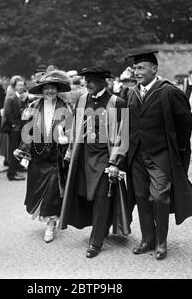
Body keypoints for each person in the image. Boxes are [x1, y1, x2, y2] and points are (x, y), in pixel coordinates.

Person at [125, 51, 192, 260]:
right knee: (140, 197)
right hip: (137, 155)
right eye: (135, 68)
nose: (136, 72)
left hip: (160, 155)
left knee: (159, 197)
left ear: (154, 69)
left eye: (141, 68)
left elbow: (185, 123)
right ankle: (147, 239)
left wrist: (178, 148)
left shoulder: (168, 92)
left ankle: (161, 241)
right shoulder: (131, 93)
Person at [59, 66, 131, 258]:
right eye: (86, 80)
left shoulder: (118, 102)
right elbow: (75, 128)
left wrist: (115, 162)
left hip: (105, 156)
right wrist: (70, 152)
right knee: (87, 195)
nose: (87, 84)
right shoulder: (82, 100)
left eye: (91, 80)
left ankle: (95, 241)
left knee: (102, 196)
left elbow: (123, 134)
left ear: (103, 82)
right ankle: (102, 227)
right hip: (84, 156)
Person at [14, 66, 71, 243]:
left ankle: (50, 225)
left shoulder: (66, 107)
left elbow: (72, 131)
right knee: (37, 190)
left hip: (56, 156)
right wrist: (23, 151)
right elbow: (27, 132)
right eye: (46, 87)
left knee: (53, 190)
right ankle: (48, 219)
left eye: (53, 87)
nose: (50, 90)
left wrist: (66, 138)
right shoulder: (32, 107)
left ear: (58, 89)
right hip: (38, 157)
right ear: (41, 90)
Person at [3, 77, 28, 181]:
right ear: (15, 87)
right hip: (14, 129)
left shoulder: (23, 98)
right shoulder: (11, 98)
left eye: (22, 85)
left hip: (21, 128)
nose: (21, 87)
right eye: (19, 85)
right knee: (13, 151)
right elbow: (7, 113)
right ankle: (11, 173)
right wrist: (13, 125)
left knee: (18, 151)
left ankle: (16, 170)